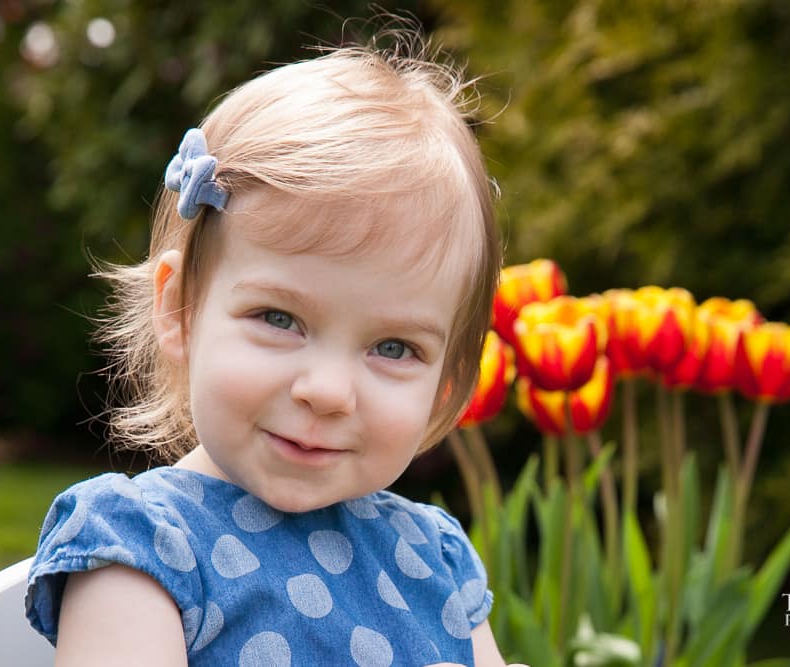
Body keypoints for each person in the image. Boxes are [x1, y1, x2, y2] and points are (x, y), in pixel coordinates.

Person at [26, 26, 522, 667]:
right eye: (280, 318)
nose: (328, 391)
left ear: (448, 387)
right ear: (181, 309)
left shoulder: (436, 563)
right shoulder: (141, 547)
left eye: (394, 348)